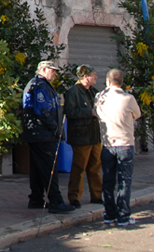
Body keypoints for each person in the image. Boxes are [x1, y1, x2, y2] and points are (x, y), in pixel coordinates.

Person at [22, 61, 74, 213]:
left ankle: (36, 199)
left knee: (38, 168)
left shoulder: (41, 84)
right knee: (49, 168)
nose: (55, 74)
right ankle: (56, 202)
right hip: (42, 134)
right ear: (44, 69)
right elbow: (42, 112)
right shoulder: (38, 85)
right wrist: (55, 129)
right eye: (53, 71)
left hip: (39, 134)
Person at [95, 69, 141, 226]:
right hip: (125, 144)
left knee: (108, 181)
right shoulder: (128, 99)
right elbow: (137, 114)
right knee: (124, 181)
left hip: (107, 145)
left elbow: (95, 114)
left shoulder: (100, 98)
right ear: (121, 82)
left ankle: (109, 214)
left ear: (108, 81)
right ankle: (123, 216)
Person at [63, 65, 103, 208]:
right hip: (81, 136)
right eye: (93, 74)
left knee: (95, 167)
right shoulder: (73, 92)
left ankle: (97, 195)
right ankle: (74, 197)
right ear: (85, 77)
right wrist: (89, 112)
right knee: (79, 168)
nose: (96, 77)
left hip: (95, 135)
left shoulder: (93, 92)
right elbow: (69, 112)